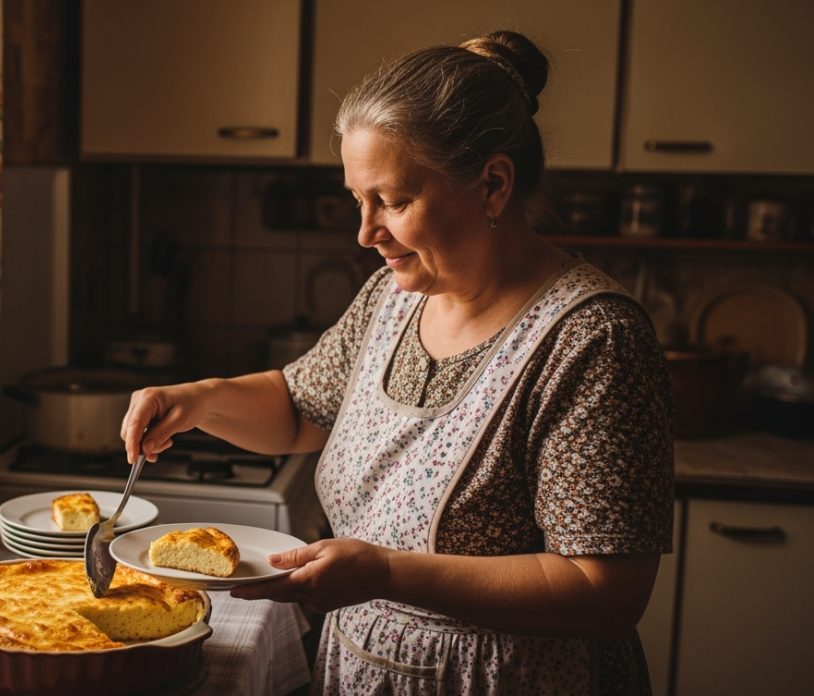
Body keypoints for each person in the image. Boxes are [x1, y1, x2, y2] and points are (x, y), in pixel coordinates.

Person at [120, 31, 675, 696]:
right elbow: (302, 409)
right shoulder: (393, 297)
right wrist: (201, 398)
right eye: (359, 199)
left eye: (393, 200)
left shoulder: (592, 339)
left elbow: (605, 592)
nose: (365, 232)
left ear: (493, 184)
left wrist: (388, 573)